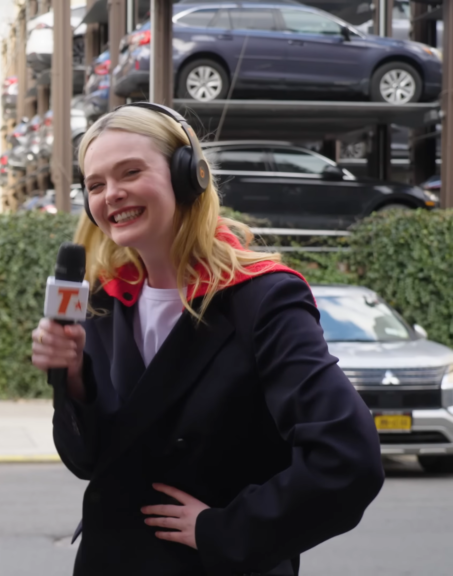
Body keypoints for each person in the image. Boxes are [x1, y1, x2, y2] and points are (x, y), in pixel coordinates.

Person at [31, 103, 384, 575]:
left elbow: (349, 460)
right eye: (95, 185)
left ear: (188, 175)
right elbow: (88, 461)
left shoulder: (263, 299)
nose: (111, 194)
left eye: (131, 172)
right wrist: (75, 381)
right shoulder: (103, 301)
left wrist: (225, 529)